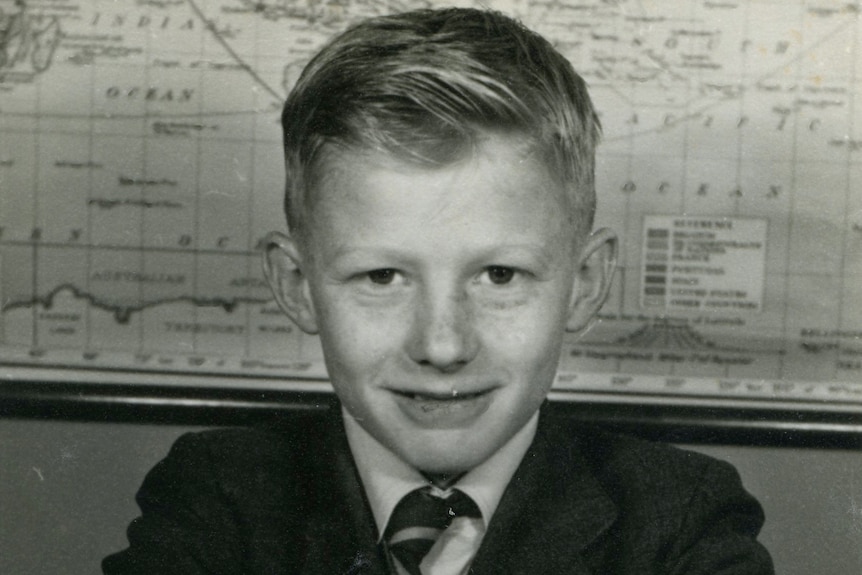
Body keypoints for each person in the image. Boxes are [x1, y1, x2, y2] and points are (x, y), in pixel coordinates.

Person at [103, 8, 774, 574]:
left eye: (500, 275)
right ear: (298, 286)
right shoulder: (217, 496)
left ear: (586, 284)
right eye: (382, 277)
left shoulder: (682, 521)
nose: (443, 344)